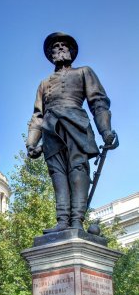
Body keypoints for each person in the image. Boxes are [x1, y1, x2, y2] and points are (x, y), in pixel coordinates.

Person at [26, 32, 117, 232]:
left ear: (70, 51)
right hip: (51, 130)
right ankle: (62, 221)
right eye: (55, 47)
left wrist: (106, 132)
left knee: (78, 170)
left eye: (63, 45)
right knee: (57, 174)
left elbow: (98, 103)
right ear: (51, 55)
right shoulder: (44, 83)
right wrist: (31, 143)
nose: (59, 48)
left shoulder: (84, 72)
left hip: (76, 125)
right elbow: (37, 116)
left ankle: (76, 220)